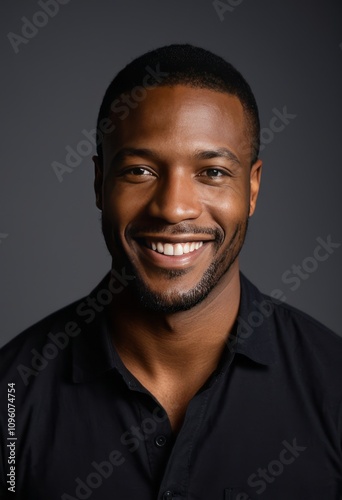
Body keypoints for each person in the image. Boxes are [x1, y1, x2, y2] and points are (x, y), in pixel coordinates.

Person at [0, 44, 341, 500]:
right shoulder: (10, 397)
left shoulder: (334, 387)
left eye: (212, 172)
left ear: (253, 188)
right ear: (99, 184)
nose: (174, 207)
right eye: (140, 170)